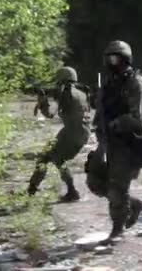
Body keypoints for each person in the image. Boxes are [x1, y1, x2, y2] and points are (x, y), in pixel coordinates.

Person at [96, 40, 142, 242]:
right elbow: (101, 110)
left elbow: (139, 119)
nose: (111, 62)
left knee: (118, 188)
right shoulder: (109, 82)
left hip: (128, 144)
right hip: (108, 141)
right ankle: (134, 204)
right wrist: (100, 132)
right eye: (109, 57)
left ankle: (118, 229)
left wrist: (117, 123)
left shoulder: (136, 83)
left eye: (115, 57)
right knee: (95, 181)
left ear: (125, 59)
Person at [27, 67, 91, 202]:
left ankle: (70, 191)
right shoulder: (82, 92)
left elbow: (50, 114)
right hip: (82, 132)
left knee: (52, 157)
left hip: (71, 132)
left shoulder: (65, 92)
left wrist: (43, 101)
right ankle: (33, 188)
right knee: (52, 156)